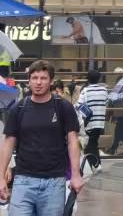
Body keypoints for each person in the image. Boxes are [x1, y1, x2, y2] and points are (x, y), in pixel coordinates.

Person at [0, 60, 84, 214]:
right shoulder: (18, 108)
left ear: (51, 81)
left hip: (54, 182)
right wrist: (1, 177)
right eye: (35, 78)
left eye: (43, 78)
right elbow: (8, 142)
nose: (38, 82)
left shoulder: (63, 107)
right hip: (23, 180)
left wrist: (76, 175)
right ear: (29, 80)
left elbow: (73, 141)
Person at [76, 67, 108, 172]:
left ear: (88, 79)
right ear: (99, 79)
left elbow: (79, 105)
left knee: (90, 144)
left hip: (89, 122)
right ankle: (95, 164)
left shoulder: (86, 90)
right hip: (100, 122)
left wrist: (87, 113)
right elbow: (106, 103)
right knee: (93, 142)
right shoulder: (104, 90)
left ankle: (95, 164)